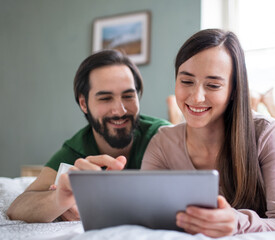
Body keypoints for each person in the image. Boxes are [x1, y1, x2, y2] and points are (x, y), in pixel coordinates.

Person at [141, 29, 275, 237]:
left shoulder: (266, 133)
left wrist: (237, 221)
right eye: (186, 81)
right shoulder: (162, 142)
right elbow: (144, 212)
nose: (197, 97)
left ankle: (269, 105)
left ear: (234, 89)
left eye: (213, 85)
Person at [7, 50, 170, 223]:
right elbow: (17, 207)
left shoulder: (162, 136)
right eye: (105, 98)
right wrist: (58, 200)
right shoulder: (77, 148)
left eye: (128, 96)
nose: (120, 110)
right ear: (84, 104)